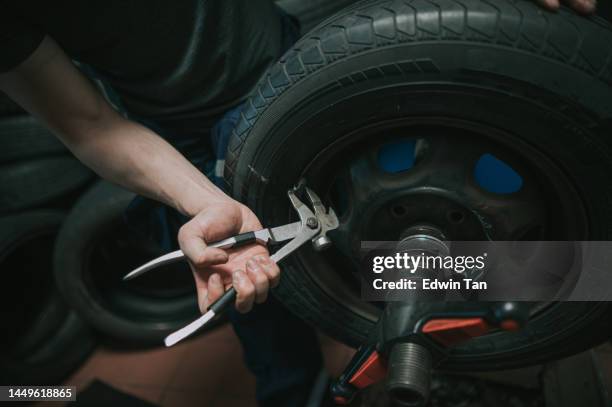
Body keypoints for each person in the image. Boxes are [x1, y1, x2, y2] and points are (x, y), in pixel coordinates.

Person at [0, 0, 597, 405]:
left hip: (300, 56)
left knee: (390, 240)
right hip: (184, 140)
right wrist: (205, 200)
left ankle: (571, 280)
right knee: (261, 299)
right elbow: (89, 126)